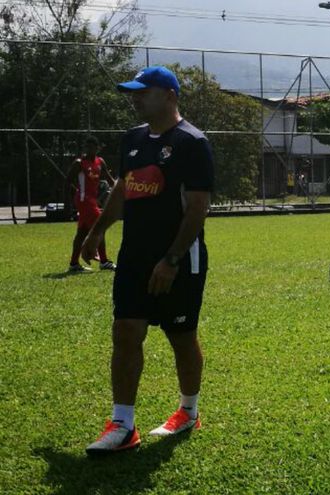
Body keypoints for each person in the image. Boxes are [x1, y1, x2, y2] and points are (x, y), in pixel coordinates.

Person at [82, 66, 213, 455]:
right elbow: (123, 190)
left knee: (181, 337)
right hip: (134, 256)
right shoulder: (132, 139)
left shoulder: (192, 143)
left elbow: (198, 208)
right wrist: (97, 231)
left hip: (179, 258)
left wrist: (171, 259)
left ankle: (188, 411)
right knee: (125, 331)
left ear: (169, 96)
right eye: (133, 92)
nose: (135, 99)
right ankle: (123, 425)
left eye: (143, 92)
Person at [67, 135, 116, 272]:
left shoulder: (100, 162)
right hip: (84, 200)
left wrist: (120, 189)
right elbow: (68, 180)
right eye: (86, 147)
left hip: (92, 200)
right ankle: (104, 261)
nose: (88, 149)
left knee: (82, 233)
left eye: (91, 147)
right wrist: (76, 196)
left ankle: (74, 264)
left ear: (97, 148)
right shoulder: (79, 163)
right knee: (100, 227)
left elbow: (109, 178)